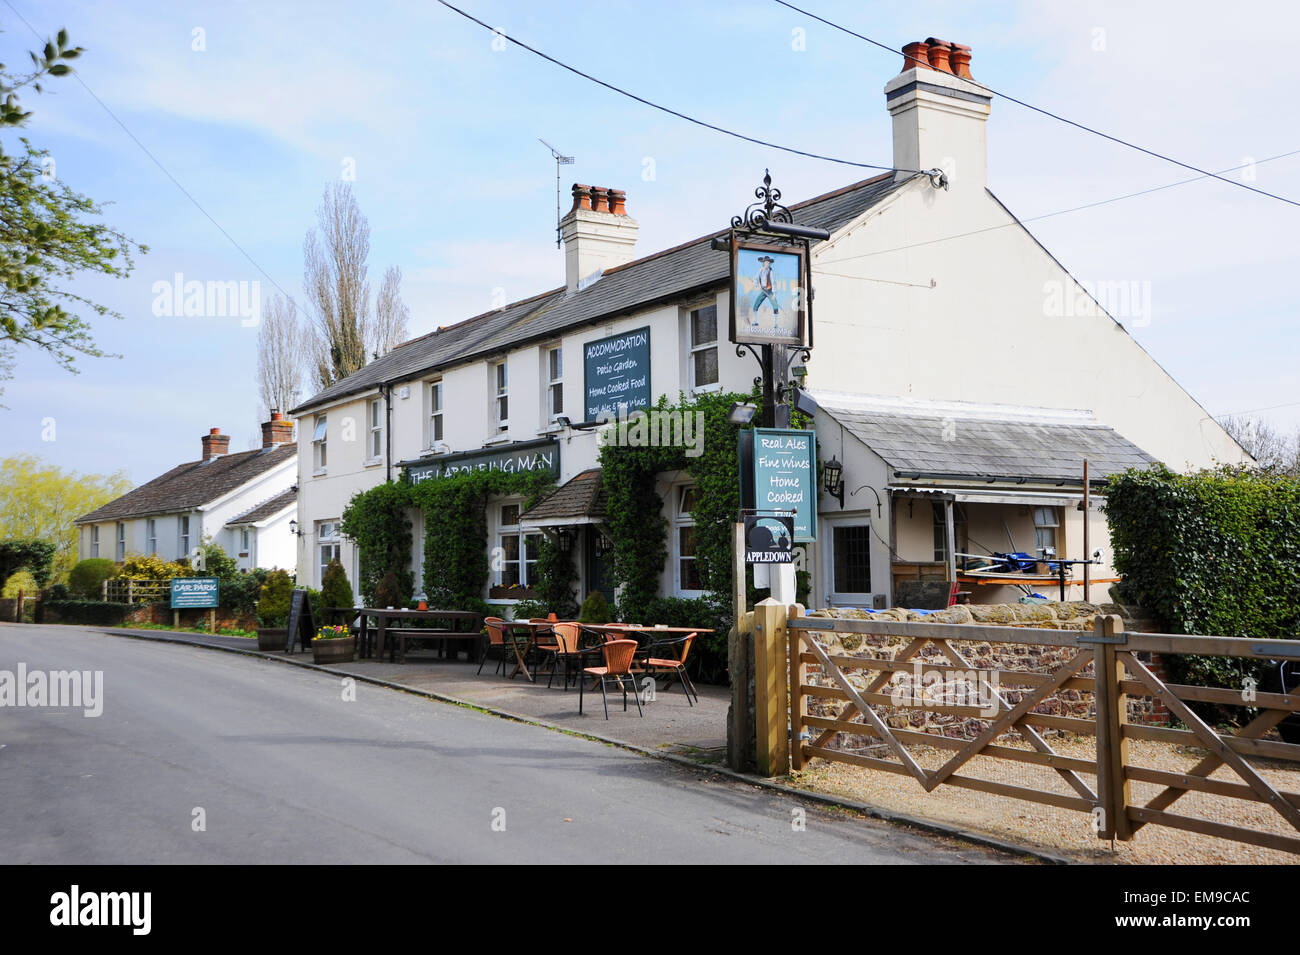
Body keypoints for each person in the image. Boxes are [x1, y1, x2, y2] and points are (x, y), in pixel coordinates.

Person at [751, 255, 781, 327]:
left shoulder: (771, 272)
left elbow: (773, 282)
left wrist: (774, 294)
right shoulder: (760, 270)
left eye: (768, 263)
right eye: (766, 263)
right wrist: (758, 286)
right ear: (763, 263)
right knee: (755, 306)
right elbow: (756, 279)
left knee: (775, 305)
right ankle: (756, 321)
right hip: (763, 290)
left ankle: (776, 324)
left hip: (770, 290)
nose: (767, 264)